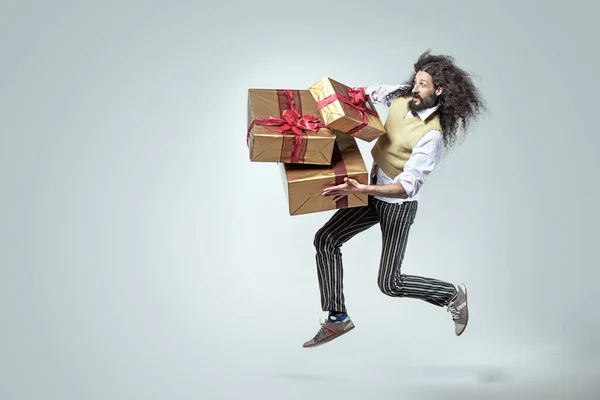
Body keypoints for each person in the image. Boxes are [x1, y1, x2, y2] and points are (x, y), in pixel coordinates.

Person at [302, 50, 487, 348]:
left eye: (423, 84)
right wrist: (328, 102)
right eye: (416, 81)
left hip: (396, 206)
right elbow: (368, 92)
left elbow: (406, 187)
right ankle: (337, 318)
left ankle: (452, 294)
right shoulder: (401, 97)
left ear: (438, 91)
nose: (415, 88)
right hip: (371, 188)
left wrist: (362, 191)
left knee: (390, 283)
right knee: (325, 239)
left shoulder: (433, 136)